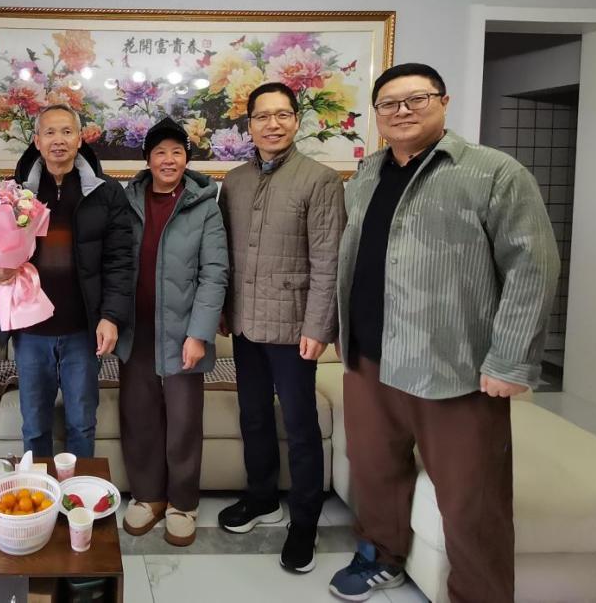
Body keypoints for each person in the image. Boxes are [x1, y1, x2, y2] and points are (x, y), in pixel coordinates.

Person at [327, 63, 559, 603]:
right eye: (389, 104)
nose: (402, 111)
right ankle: (381, 554)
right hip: (368, 357)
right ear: (377, 114)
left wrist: (509, 360)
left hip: (453, 364)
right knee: (374, 469)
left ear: (444, 102)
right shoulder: (367, 175)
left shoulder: (493, 173)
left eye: (417, 99)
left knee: (471, 496)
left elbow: (533, 267)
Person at [217, 82, 346, 574]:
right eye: (262, 116)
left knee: (300, 424)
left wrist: (319, 326)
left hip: (295, 328)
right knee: (253, 416)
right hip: (246, 324)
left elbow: (328, 262)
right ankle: (262, 497)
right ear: (248, 124)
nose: (272, 124)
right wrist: (225, 310)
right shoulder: (234, 181)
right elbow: (225, 254)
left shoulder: (321, 180)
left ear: (296, 120)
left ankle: (305, 521)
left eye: (282, 115)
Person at [0, 103, 132, 457]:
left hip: (83, 330)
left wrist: (111, 316)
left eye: (66, 132)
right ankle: (38, 492)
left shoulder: (106, 193)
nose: (58, 140)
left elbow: (121, 261)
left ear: (79, 139)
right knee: (34, 426)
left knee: (82, 424)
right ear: (37, 141)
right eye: (49, 132)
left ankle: (79, 491)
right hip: (30, 331)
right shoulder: (12, 192)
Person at [117, 117, 227, 547]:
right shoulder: (127, 201)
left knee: (183, 420)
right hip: (136, 329)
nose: (168, 160)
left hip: (184, 332)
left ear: (186, 158)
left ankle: (183, 503)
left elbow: (214, 274)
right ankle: (148, 497)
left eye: (176, 152)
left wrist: (199, 334)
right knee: (138, 415)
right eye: (160, 152)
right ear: (147, 159)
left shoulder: (204, 205)